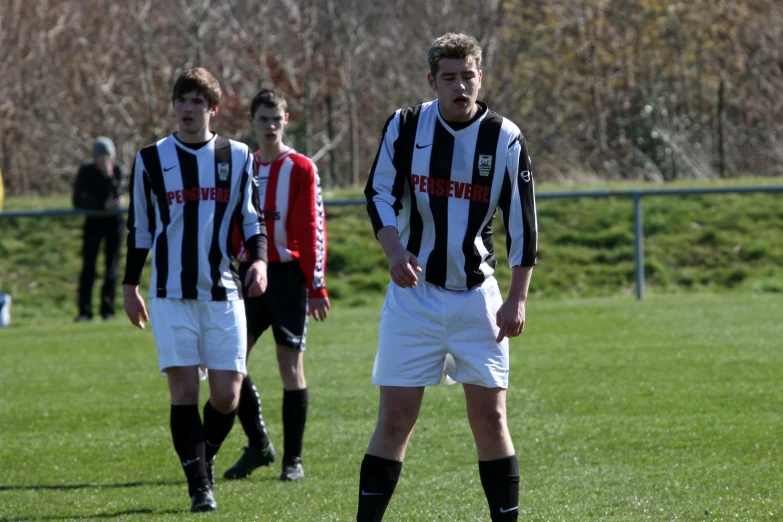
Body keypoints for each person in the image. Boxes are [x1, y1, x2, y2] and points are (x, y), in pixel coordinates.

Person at [358, 33, 538, 521]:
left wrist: (516, 300)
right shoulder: (406, 124)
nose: (461, 86)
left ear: (481, 77)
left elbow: (524, 228)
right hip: (413, 298)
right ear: (432, 80)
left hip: (477, 299)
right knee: (394, 418)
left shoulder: (505, 138)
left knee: (491, 418)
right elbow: (377, 193)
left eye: (469, 76)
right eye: (450, 77)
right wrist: (394, 249)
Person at [122, 67, 268, 513]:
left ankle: (201, 458)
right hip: (169, 294)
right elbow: (140, 228)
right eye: (182, 101)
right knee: (184, 388)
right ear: (174, 106)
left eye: (197, 102)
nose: (188, 110)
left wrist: (259, 260)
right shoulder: (150, 159)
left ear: (213, 109)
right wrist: (130, 285)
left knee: (227, 394)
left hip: (224, 292)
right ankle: (199, 486)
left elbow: (252, 218)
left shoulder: (238, 156)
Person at [222, 88, 329, 483]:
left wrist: (316, 285)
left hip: (286, 278)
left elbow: (313, 227)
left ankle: (292, 460)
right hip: (248, 273)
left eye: (276, 118)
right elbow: (230, 220)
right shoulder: (240, 164)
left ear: (286, 120)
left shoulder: (301, 167)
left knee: (290, 367)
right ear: (251, 122)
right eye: (262, 118)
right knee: (230, 363)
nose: (269, 125)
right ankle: (259, 445)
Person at [72, 137, 125, 321]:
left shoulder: (117, 170)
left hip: (114, 224)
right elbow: (78, 200)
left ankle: (107, 311)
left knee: (112, 268)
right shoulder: (86, 171)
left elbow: (119, 194)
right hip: (93, 223)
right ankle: (84, 311)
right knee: (89, 268)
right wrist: (101, 205)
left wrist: (109, 176)